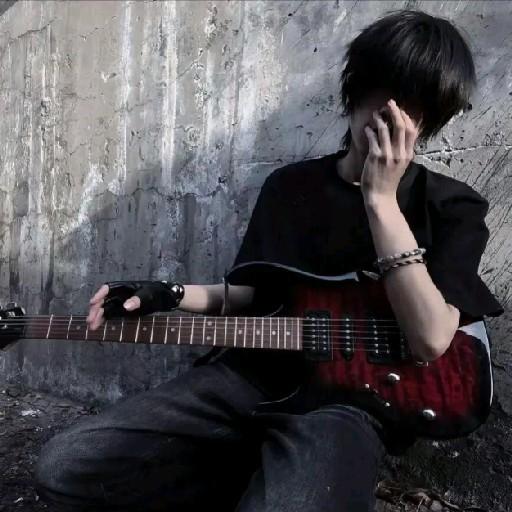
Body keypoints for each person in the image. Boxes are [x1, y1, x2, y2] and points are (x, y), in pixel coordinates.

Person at [34, 8, 504, 512]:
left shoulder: (453, 206)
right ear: (355, 87)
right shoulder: (290, 187)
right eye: (381, 89)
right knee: (65, 467)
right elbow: (251, 296)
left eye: (414, 102)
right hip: (251, 378)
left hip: (344, 406)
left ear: (431, 118)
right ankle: (257, 472)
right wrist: (165, 293)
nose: (390, 112)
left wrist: (381, 202)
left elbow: (431, 339)